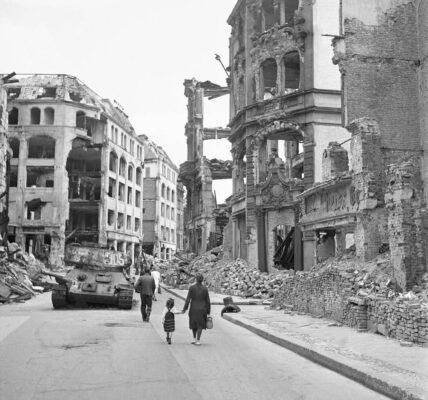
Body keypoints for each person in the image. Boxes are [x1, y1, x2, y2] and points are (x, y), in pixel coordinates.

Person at [182, 273, 211, 345]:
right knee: (200, 325)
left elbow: (188, 299)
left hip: (193, 309)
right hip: (202, 309)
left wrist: (185, 309)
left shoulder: (192, 288)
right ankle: (198, 340)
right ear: (202, 280)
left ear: (196, 279)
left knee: (193, 324)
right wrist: (208, 311)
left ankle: (194, 338)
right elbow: (208, 301)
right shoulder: (205, 288)